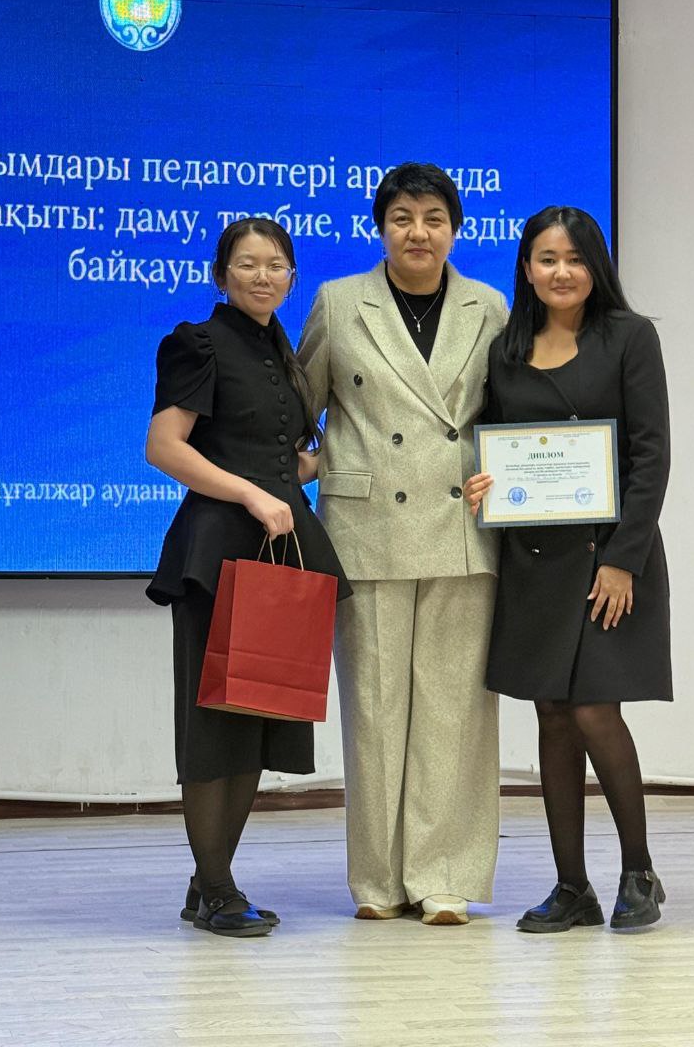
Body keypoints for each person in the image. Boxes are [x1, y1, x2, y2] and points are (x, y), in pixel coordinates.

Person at [298, 162, 508, 925]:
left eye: (433, 218)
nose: (418, 233)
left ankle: (443, 875)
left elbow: (508, 413)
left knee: (456, 711)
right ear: (380, 227)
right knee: (375, 709)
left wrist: (509, 477)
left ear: (456, 229)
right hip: (367, 527)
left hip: (461, 527)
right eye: (402, 218)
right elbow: (301, 403)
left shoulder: (490, 306)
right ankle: (379, 880)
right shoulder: (338, 301)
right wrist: (296, 465)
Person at [465, 205, 671, 933]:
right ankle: (571, 886)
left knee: (593, 709)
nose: (561, 272)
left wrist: (623, 561)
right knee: (551, 712)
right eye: (547, 259)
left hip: (609, 557)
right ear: (526, 268)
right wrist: (480, 483)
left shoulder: (630, 336)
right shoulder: (507, 348)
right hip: (534, 559)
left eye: (575, 258)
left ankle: (638, 872)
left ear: (596, 266)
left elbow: (651, 457)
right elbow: (493, 440)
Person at [145, 217, 350, 938]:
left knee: (257, 720)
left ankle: (210, 884)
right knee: (213, 725)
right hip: (217, 552)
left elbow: (279, 456)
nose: (263, 276)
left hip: (278, 552)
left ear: (291, 277)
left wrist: (331, 459)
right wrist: (251, 494)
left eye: (276, 265)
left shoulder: (279, 350)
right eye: (247, 264)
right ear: (221, 274)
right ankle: (217, 887)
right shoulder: (197, 341)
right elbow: (164, 447)